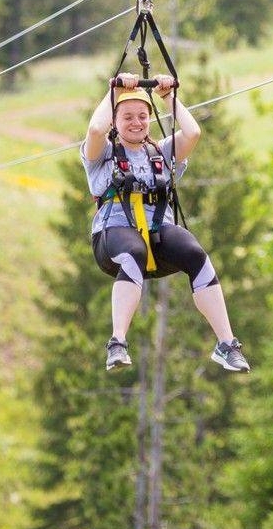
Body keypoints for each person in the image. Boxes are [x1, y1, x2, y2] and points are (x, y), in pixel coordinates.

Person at [82, 72, 249, 373]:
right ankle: (117, 342)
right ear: (115, 123)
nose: (136, 123)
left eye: (143, 117)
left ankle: (226, 343)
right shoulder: (101, 155)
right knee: (132, 252)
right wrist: (114, 91)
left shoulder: (160, 152)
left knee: (194, 253)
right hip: (113, 238)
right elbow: (95, 129)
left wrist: (168, 96)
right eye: (127, 117)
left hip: (157, 238)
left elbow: (193, 133)